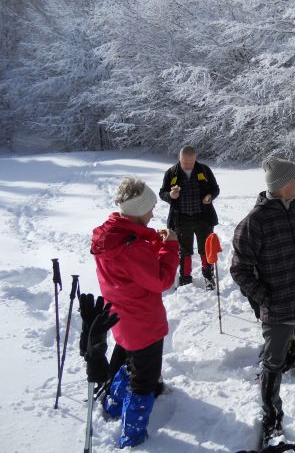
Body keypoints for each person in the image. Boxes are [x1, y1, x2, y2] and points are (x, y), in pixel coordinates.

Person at [230, 158, 295, 444]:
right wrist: (265, 298)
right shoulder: (255, 222)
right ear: (283, 184)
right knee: (273, 365)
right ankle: (272, 420)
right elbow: (239, 269)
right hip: (278, 313)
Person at [90, 177, 179, 448]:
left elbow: (133, 247)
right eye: (150, 208)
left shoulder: (112, 235)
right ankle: (133, 436)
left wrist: (152, 238)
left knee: (133, 363)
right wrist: (170, 246)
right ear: (139, 210)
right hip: (144, 324)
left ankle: (114, 404)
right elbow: (161, 279)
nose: (153, 213)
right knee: (145, 380)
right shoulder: (130, 248)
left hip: (124, 319)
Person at [159, 145, 220, 287]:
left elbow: (215, 188)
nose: (188, 165)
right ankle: (185, 279)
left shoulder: (204, 170)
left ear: (195, 158)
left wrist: (210, 196)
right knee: (184, 250)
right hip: (181, 219)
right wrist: (171, 195)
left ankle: (209, 276)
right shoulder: (171, 173)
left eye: (191, 162)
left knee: (206, 249)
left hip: (203, 218)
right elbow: (162, 192)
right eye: (185, 162)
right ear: (179, 158)